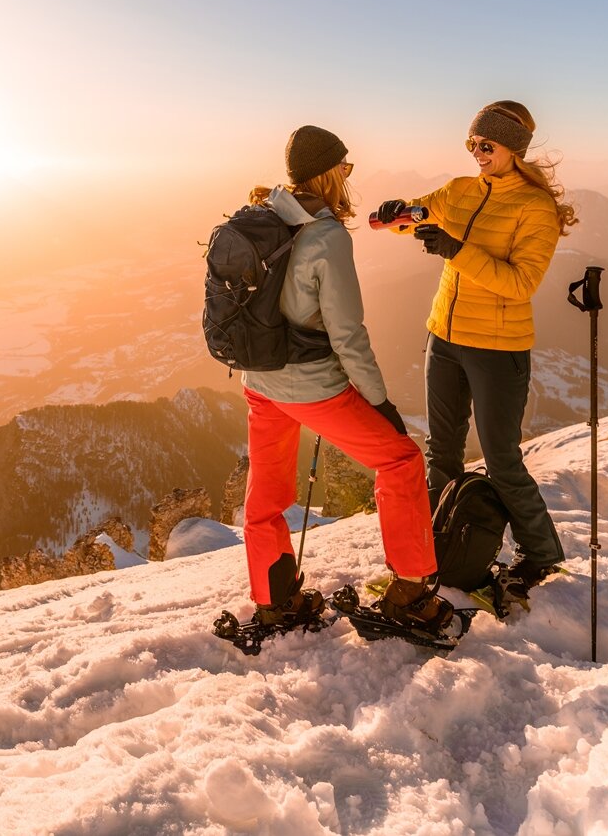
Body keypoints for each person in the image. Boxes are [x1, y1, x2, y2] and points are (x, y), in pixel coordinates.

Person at [240, 125, 451, 634]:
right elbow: (347, 334)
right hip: (311, 387)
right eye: (346, 168)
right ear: (330, 173)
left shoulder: (264, 214)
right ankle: (410, 592)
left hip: (259, 382)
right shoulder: (326, 235)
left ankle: (275, 601)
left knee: (266, 497)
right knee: (401, 461)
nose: (348, 178)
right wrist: (380, 403)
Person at [377, 101, 578, 607]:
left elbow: (520, 283)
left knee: (502, 458)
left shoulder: (536, 209)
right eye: (472, 144)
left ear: (514, 149)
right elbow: (418, 216)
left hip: (499, 348)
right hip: (443, 339)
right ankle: (433, 551)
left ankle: (540, 552)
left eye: (486, 146)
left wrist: (455, 250)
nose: (476, 153)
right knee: (440, 452)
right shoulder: (461, 191)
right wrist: (396, 215)